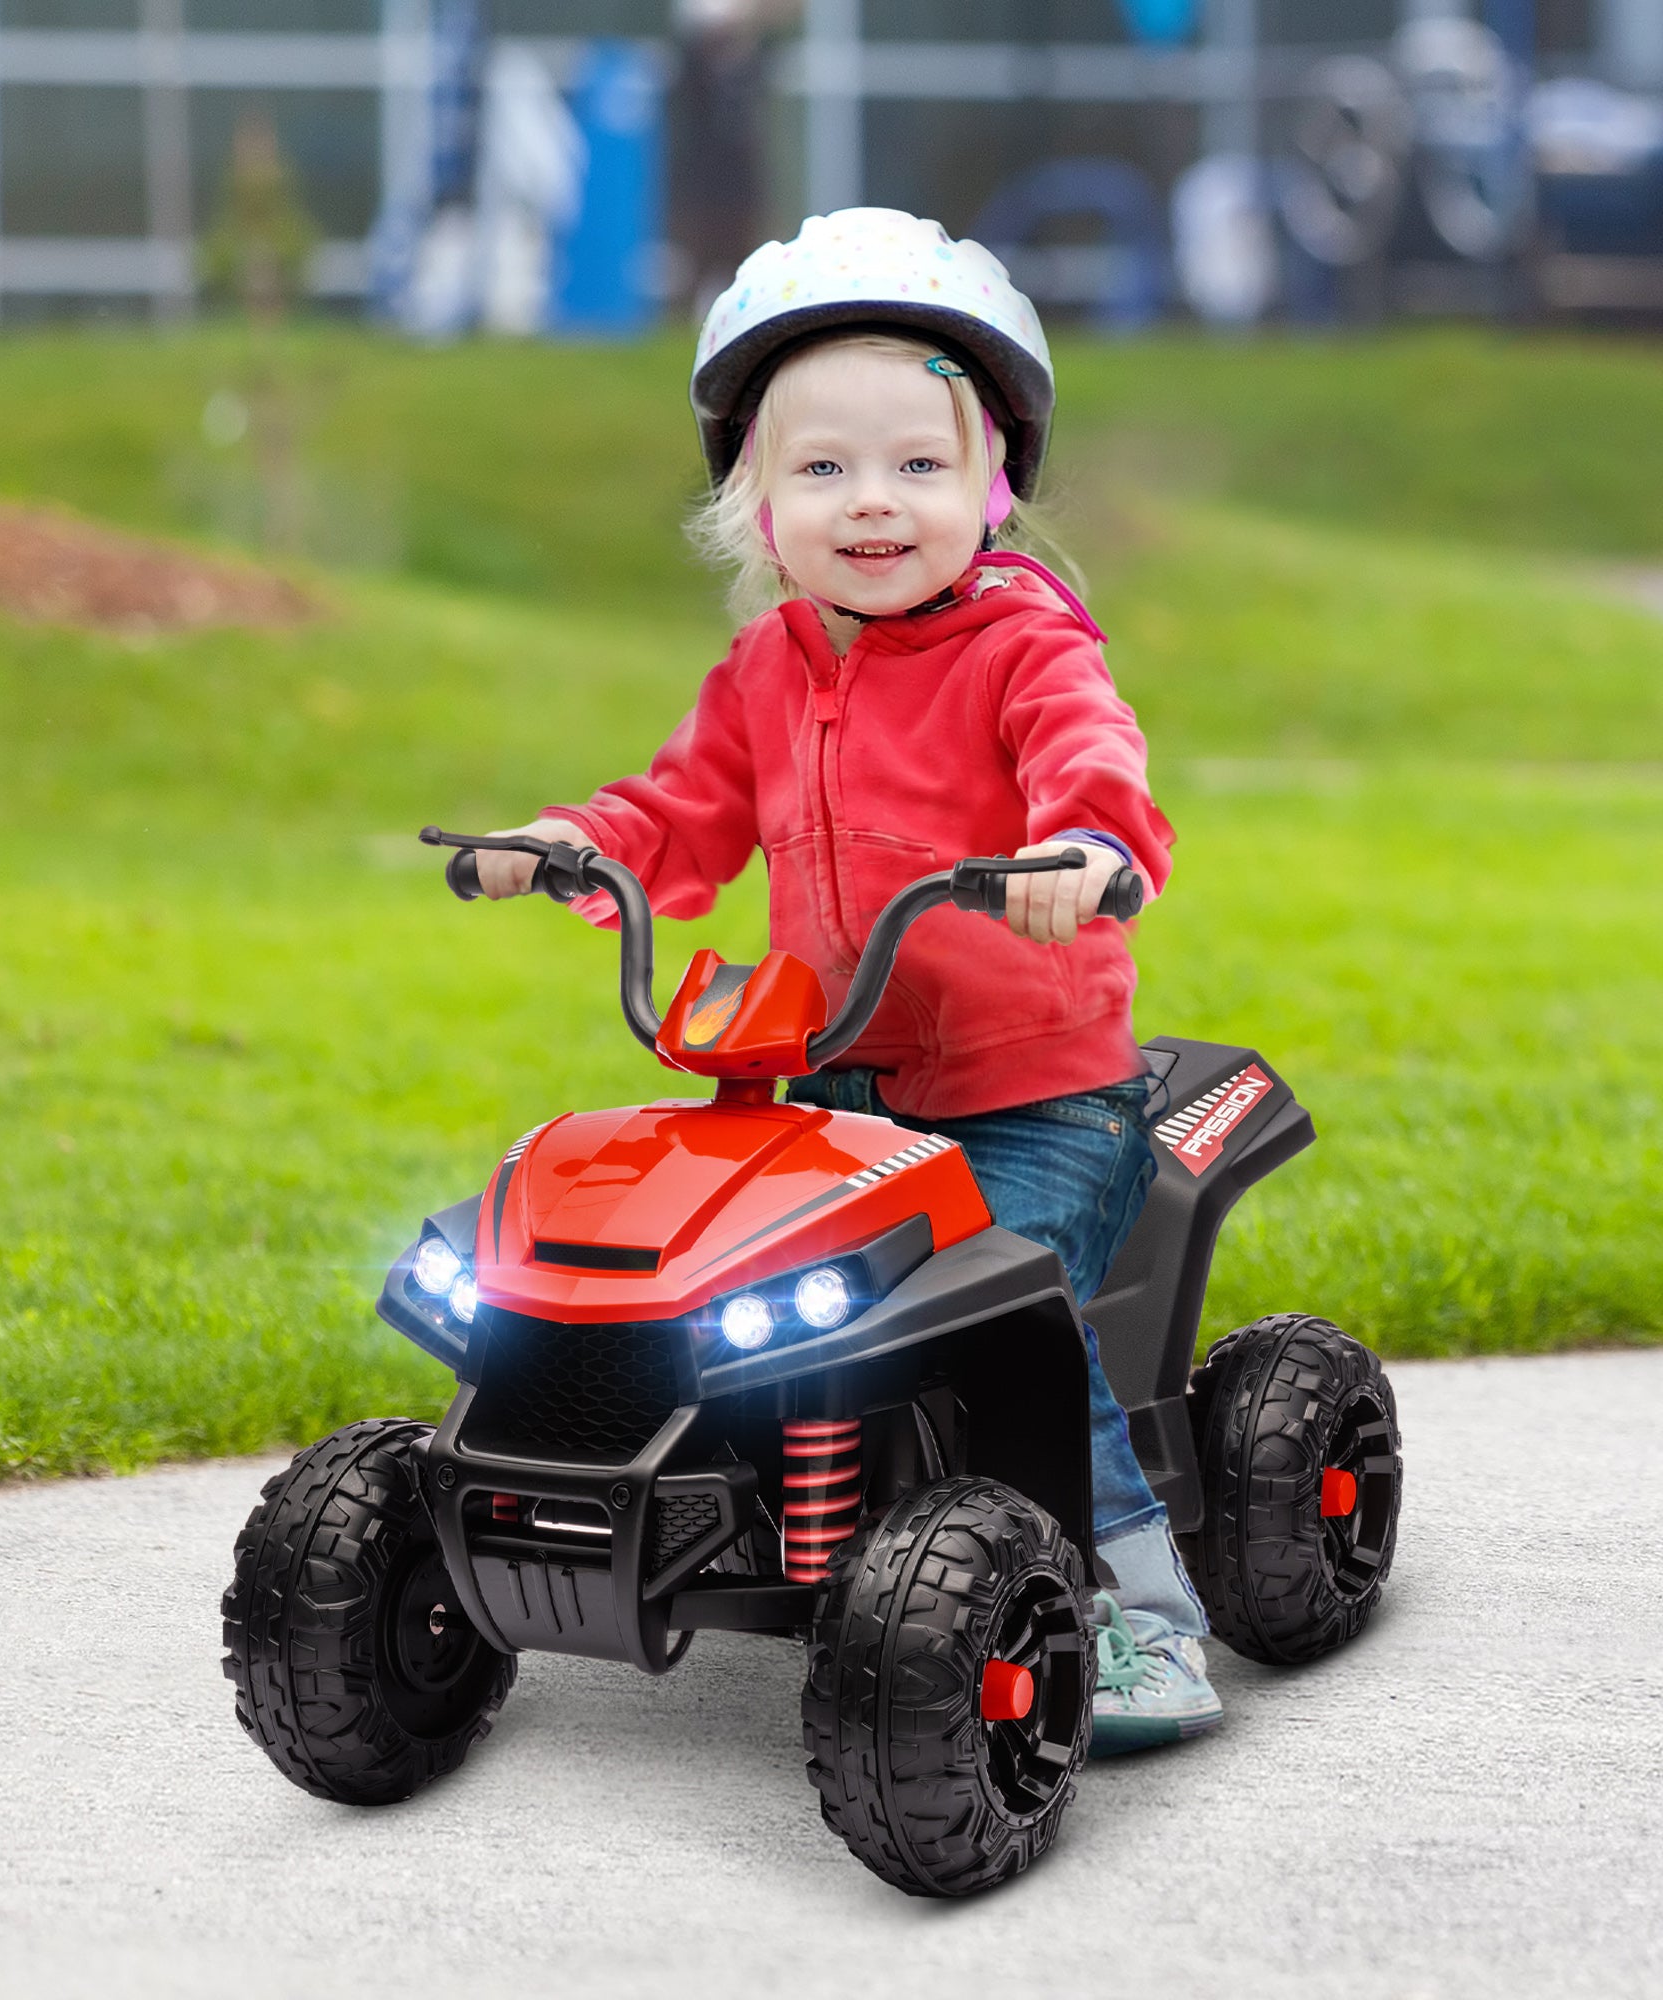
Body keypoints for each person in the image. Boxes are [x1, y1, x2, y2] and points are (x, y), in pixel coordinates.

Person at [471, 208, 1219, 1754]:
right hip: (828, 1088)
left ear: (992, 483)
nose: (871, 503)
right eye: (822, 469)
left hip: (1034, 1101)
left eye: (916, 467)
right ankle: (733, 1519)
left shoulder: (1030, 649)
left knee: (1007, 1308)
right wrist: (574, 844)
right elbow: (677, 810)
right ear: (753, 495)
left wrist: (1083, 848)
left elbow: (1094, 764)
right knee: (708, 1287)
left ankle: (1145, 1613)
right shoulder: (767, 669)